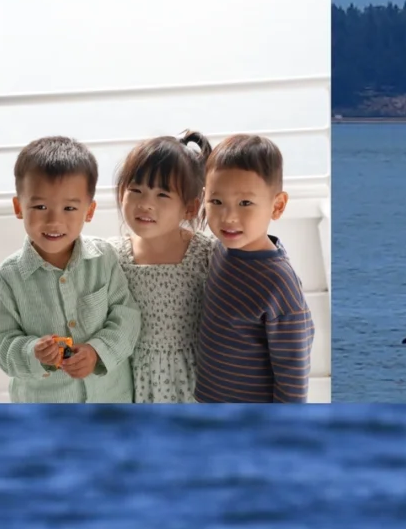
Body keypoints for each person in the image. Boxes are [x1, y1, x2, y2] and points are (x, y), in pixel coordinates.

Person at [0, 136, 140, 402]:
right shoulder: (8, 278)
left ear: (89, 211)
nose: (54, 220)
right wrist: (33, 352)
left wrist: (96, 352)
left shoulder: (104, 258)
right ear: (18, 207)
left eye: (69, 208)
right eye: (40, 206)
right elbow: (3, 344)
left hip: (110, 400)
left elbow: (126, 317)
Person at [194, 134, 314, 402]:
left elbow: (293, 377)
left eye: (245, 203)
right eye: (216, 202)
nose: (228, 217)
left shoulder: (279, 284)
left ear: (277, 205)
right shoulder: (220, 250)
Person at [108, 130, 217, 402]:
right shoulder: (112, 257)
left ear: (191, 208)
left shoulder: (206, 254)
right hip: (132, 379)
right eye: (136, 190)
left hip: (194, 379)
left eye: (162, 195)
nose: (146, 204)